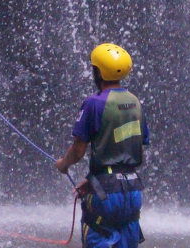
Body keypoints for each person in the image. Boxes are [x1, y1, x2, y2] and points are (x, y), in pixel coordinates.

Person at [55, 43, 149, 248]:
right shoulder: (135, 102)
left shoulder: (94, 103)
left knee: (99, 235)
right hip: (133, 190)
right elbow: (125, 147)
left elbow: (78, 151)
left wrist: (63, 164)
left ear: (98, 72)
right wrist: (93, 181)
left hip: (105, 194)